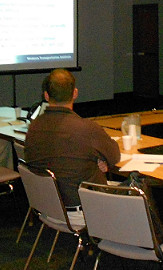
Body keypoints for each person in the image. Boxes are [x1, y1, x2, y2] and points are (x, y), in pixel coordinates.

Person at [23, 69, 121, 215]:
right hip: (86, 208)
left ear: (46, 96)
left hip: (47, 207)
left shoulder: (34, 127)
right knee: (140, 197)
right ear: (75, 93)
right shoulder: (87, 129)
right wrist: (98, 161)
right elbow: (114, 157)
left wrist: (93, 162)